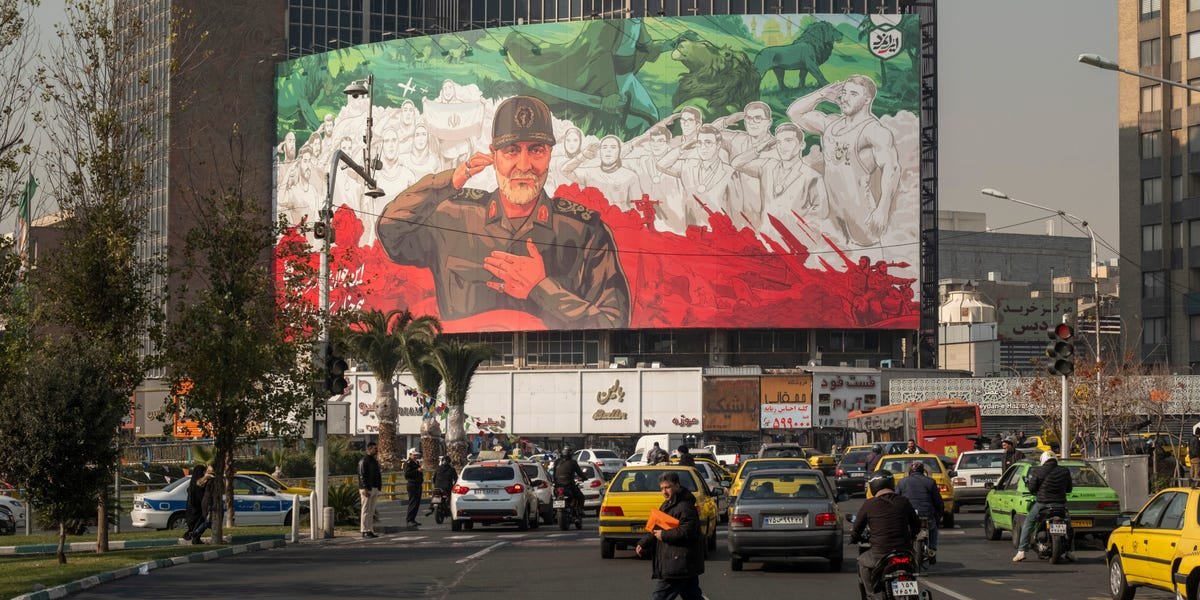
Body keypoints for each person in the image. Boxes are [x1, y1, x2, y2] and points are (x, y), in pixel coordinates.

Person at [378, 95, 631, 330]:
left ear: (550, 155)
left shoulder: (584, 232)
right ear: (493, 155)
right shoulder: (453, 215)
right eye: (511, 150)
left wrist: (542, 289)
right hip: (459, 369)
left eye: (536, 150)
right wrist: (450, 181)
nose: (524, 165)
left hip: (557, 365)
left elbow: (614, 322)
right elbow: (390, 231)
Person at [787, 75, 901, 247]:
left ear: (867, 99)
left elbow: (891, 169)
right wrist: (823, 94)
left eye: (854, 94)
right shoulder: (830, 123)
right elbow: (794, 112)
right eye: (844, 92)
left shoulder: (874, 131)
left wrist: (883, 209)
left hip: (860, 213)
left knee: (864, 258)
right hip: (831, 212)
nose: (845, 98)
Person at [636, 472, 705, 600]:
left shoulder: (685, 506)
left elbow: (687, 531)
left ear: (677, 486)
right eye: (661, 488)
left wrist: (664, 535)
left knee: (660, 596)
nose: (664, 491)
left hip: (679, 561)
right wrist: (643, 542)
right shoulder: (667, 505)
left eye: (667, 487)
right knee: (692, 596)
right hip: (679, 561)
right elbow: (657, 527)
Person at [851, 471, 920, 600]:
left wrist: (854, 537)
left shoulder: (869, 504)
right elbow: (916, 524)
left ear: (873, 486)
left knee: (862, 562)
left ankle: (870, 595)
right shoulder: (904, 502)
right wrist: (912, 535)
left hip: (880, 553)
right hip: (905, 552)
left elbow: (857, 528)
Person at [1014, 451, 1074, 562]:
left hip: (1043, 504)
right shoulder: (1065, 471)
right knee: (1069, 525)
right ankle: (1069, 551)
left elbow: (1032, 488)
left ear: (1043, 460)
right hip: (1060, 505)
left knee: (1028, 523)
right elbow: (1069, 489)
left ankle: (1021, 551)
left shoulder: (1038, 471)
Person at [896, 461, 944, 562]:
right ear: (923, 471)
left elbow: (897, 499)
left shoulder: (902, 482)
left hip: (909, 515)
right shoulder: (930, 482)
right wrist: (939, 513)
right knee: (933, 528)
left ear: (909, 472)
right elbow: (938, 501)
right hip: (926, 514)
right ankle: (932, 549)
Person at [553, 445, 587, 518]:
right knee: (581, 497)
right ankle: (580, 510)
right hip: (569, 485)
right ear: (571, 454)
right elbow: (579, 473)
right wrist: (584, 478)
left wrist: (555, 482)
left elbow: (554, 473)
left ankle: (556, 512)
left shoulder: (557, 461)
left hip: (557, 486)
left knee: (555, 496)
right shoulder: (573, 462)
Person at [358, 442, 383, 538]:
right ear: (369, 449)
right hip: (367, 489)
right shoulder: (363, 461)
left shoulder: (374, 461)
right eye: (375, 449)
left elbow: (377, 474)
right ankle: (364, 530)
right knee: (365, 510)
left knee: (371, 511)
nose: (376, 450)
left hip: (374, 487)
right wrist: (364, 488)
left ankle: (370, 529)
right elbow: (361, 475)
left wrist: (379, 487)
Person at [187, 467, 216, 545]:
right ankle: (195, 533)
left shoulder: (204, 479)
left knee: (206, 521)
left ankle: (196, 536)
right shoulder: (209, 479)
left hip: (204, 503)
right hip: (208, 502)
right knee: (208, 521)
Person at [183, 464, 208, 541]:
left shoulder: (192, 483)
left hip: (191, 509)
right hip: (197, 508)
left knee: (196, 524)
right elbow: (200, 496)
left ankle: (196, 538)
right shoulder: (198, 484)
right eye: (203, 472)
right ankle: (194, 537)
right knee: (202, 523)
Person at [404, 447, 423, 529]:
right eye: (414, 455)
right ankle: (409, 520)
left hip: (418, 484)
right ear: (410, 455)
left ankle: (413, 519)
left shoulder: (416, 462)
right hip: (412, 485)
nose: (415, 456)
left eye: (416, 455)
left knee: (417, 503)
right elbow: (407, 474)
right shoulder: (408, 463)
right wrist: (417, 471)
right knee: (413, 502)